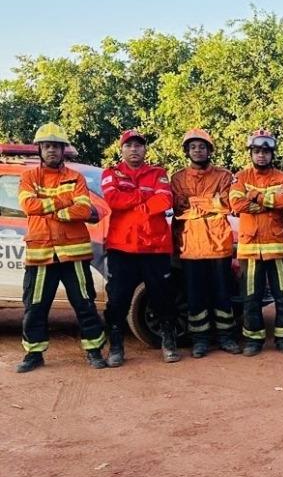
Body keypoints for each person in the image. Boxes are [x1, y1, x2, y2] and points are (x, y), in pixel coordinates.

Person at [15, 123, 107, 372]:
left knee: (85, 303)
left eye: (56, 146)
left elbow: (84, 209)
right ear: (40, 149)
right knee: (35, 307)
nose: (52, 150)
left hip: (73, 254)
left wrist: (52, 206)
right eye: (47, 146)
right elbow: (28, 206)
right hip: (41, 253)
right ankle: (34, 354)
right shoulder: (28, 177)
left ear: (62, 149)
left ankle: (94, 350)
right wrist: (65, 203)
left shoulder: (75, 176)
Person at [101, 129, 179, 364]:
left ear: (145, 149)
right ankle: (116, 346)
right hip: (122, 247)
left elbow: (165, 200)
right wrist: (144, 199)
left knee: (162, 296)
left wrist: (136, 205)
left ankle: (168, 340)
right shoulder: (110, 173)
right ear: (121, 149)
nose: (134, 149)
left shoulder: (159, 173)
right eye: (129, 145)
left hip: (155, 247)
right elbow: (112, 199)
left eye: (139, 145)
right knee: (118, 298)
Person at [170, 128, 241, 358]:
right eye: (193, 147)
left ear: (209, 150)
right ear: (187, 151)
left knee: (222, 295)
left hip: (218, 246)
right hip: (190, 247)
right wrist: (211, 204)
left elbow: (227, 204)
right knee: (195, 298)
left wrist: (197, 205)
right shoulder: (178, 178)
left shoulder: (223, 176)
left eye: (202, 146)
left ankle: (226, 338)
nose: (198, 150)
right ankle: (200, 341)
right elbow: (180, 207)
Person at [229, 129, 283, 356]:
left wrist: (255, 196)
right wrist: (269, 203)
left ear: (272, 153)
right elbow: (236, 204)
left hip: (278, 248)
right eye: (257, 151)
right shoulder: (241, 176)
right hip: (250, 250)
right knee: (251, 297)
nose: (261, 156)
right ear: (251, 153)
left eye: (266, 151)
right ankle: (253, 340)